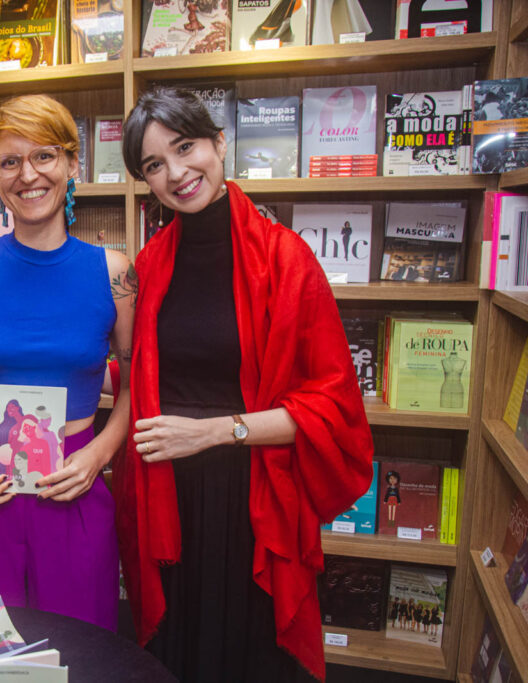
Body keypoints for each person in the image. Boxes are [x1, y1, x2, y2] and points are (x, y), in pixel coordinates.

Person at [115, 87, 373, 682]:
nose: (176, 173)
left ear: (220, 143)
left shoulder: (287, 260)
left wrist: (212, 432)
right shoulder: (149, 264)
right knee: (178, 654)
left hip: (250, 497)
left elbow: (331, 407)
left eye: (186, 147)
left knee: (246, 652)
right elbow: (140, 372)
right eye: (154, 164)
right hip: (169, 498)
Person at [0, 94, 135, 631]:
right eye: (9, 161)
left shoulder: (114, 274)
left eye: (44, 156)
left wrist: (100, 453)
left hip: (73, 479)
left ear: (72, 163)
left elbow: (136, 387)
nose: (28, 175)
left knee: (79, 646)